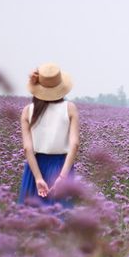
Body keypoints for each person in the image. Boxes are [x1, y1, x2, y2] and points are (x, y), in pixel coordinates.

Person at [17, 63, 79, 209]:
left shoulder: (27, 111)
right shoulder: (70, 108)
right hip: (61, 166)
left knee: (30, 217)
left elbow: (27, 148)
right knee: (61, 217)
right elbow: (74, 145)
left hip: (35, 167)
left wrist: (38, 178)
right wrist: (62, 178)